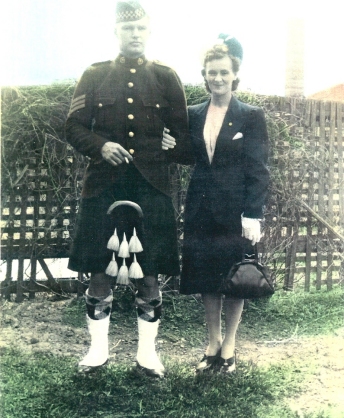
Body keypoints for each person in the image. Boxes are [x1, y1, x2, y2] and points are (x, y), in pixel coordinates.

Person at [65, 1, 192, 377]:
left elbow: (184, 138)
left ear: (148, 32)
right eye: (127, 29)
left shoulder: (166, 78)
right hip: (102, 187)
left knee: (149, 273)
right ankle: (97, 353)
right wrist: (100, 146)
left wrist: (174, 145)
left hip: (152, 187)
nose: (134, 35)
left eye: (140, 29)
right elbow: (72, 127)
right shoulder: (94, 75)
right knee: (98, 273)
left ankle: (147, 356)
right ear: (116, 33)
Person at [163, 35, 270, 374]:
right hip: (200, 208)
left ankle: (230, 346)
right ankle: (212, 342)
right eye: (212, 72)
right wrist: (170, 145)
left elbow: (258, 168)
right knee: (206, 277)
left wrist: (252, 213)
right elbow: (190, 156)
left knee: (234, 277)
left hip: (235, 211)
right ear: (204, 75)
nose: (218, 78)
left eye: (224, 72)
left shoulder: (251, 116)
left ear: (234, 74)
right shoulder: (194, 114)